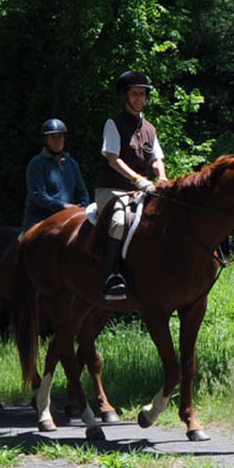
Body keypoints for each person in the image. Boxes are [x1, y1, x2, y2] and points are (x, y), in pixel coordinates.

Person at [94, 70, 167, 299]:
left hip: (140, 189)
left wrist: (162, 178)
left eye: (143, 94)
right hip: (112, 188)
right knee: (118, 220)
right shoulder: (113, 124)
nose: (139, 99)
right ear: (124, 96)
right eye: (134, 94)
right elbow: (113, 159)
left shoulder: (150, 128)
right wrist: (138, 179)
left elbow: (157, 159)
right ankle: (111, 276)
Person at [22, 118, 89, 229]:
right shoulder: (37, 164)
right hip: (41, 218)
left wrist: (83, 206)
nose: (58, 140)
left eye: (60, 137)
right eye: (53, 137)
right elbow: (38, 195)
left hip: (68, 217)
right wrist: (64, 206)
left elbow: (82, 191)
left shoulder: (71, 163)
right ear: (46, 140)